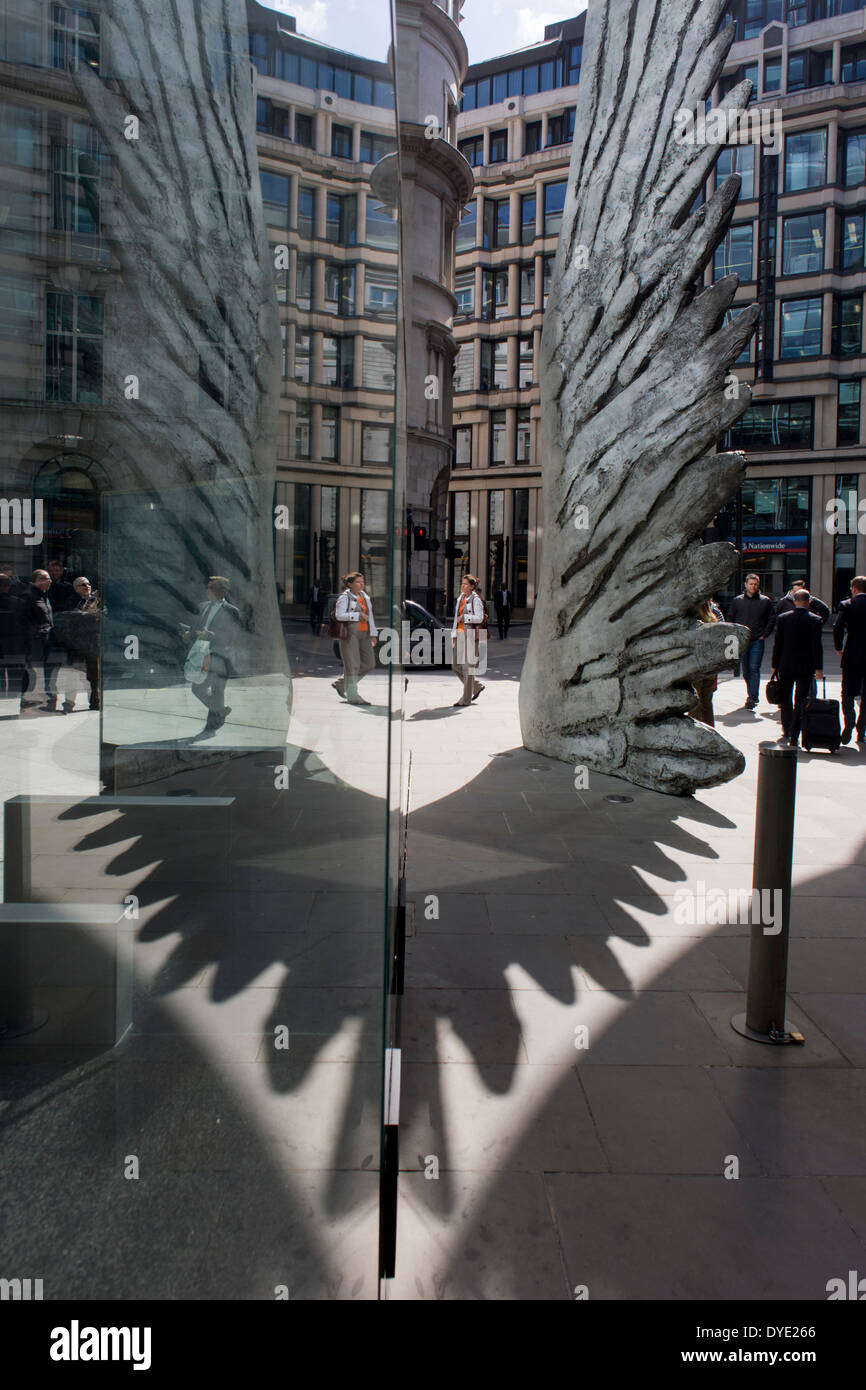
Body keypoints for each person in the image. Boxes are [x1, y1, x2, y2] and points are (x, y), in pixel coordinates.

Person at [180, 576, 243, 732]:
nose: (208, 591)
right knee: (197, 689)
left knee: (217, 690)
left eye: (211, 588)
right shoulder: (203, 607)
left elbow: (233, 635)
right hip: (202, 654)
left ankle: (211, 725)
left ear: (222, 591)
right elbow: (196, 627)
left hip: (221, 657)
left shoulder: (231, 611)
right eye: (208, 587)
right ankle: (219, 712)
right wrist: (189, 633)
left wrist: (212, 635)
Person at [770, 588, 824, 748]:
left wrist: (774, 665)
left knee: (785, 698)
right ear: (808, 602)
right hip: (805, 667)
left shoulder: (783, 618)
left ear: (794, 601)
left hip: (785, 664)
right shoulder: (815, 620)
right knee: (800, 700)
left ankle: (786, 729)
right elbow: (817, 647)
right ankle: (795, 735)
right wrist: (818, 668)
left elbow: (777, 644)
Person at [727, 573, 775, 710]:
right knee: (746, 670)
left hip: (757, 640)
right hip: (742, 640)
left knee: (754, 668)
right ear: (746, 585)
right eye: (751, 584)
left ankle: (753, 697)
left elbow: (772, 619)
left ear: (758, 585)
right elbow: (730, 617)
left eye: (755, 584)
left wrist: (764, 635)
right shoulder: (737, 601)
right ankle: (751, 694)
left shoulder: (765, 601)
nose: (753, 586)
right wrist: (734, 634)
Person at [332, 572, 378, 705]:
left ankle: (341, 684)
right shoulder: (344, 597)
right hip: (350, 634)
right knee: (353, 666)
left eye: (363, 581)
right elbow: (339, 615)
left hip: (364, 634)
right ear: (350, 584)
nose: (361, 584)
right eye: (358, 582)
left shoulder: (365, 597)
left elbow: (370, 617)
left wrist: (373, 634)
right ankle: (353, 696)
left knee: (370, 664)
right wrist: (357, 615)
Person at [833, 575, 866, 744]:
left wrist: (838, 646)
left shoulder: (847, 605)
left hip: (852, 653)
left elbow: (837, 626)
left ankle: (850, 719)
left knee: (847, 692)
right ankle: (862, 730)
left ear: (853, 589)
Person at [25, 569, 64, 711]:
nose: (50, 581)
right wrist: (36, 634)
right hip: (37, 642)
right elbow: (23, 620)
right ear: (37, 580)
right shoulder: (29, 596)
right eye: (46, 578)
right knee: (38, 672)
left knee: (50, 671)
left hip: (48, 641)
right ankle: (34, 699)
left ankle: (49, 700)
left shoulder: (44, 596)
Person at [61, 577, 102, 712]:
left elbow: (103, 615)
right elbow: (74, 617)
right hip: (77, 644)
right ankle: (69, 704)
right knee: (73, 674)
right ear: (76, 588)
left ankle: (95, 702)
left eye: (88, 584)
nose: (87, 586)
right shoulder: (71, 601)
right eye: (83, 585)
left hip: (92, 643)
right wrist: (90, 614)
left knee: (94, 676)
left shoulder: (95, 600)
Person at [451, 573, 486, 707]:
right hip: (460, 635)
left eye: (466, 584)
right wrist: (453, 636)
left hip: (471, 636)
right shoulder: (460, 598)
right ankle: (476, 687)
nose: (463, 586)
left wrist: (465, 618)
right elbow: (455, 619)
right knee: (455, 666)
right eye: (462, 583)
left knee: (468, 668)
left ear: (472, 587)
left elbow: (480, 618)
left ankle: (466, 699)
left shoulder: (475, 599)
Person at [687, 599, 720, 727]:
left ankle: (694, 732)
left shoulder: (693, 621)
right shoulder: (713, 620)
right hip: (710, 666)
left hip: (696, 666)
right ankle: (711, 730)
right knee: (707, 702)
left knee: (696, 702)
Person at [0, 573, 27, 699]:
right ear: (9, 586)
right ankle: (13, 706)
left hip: (7, 647)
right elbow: (26, 627)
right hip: (15, 648)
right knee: (15, 679)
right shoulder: (19, 603)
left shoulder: (19, 603)